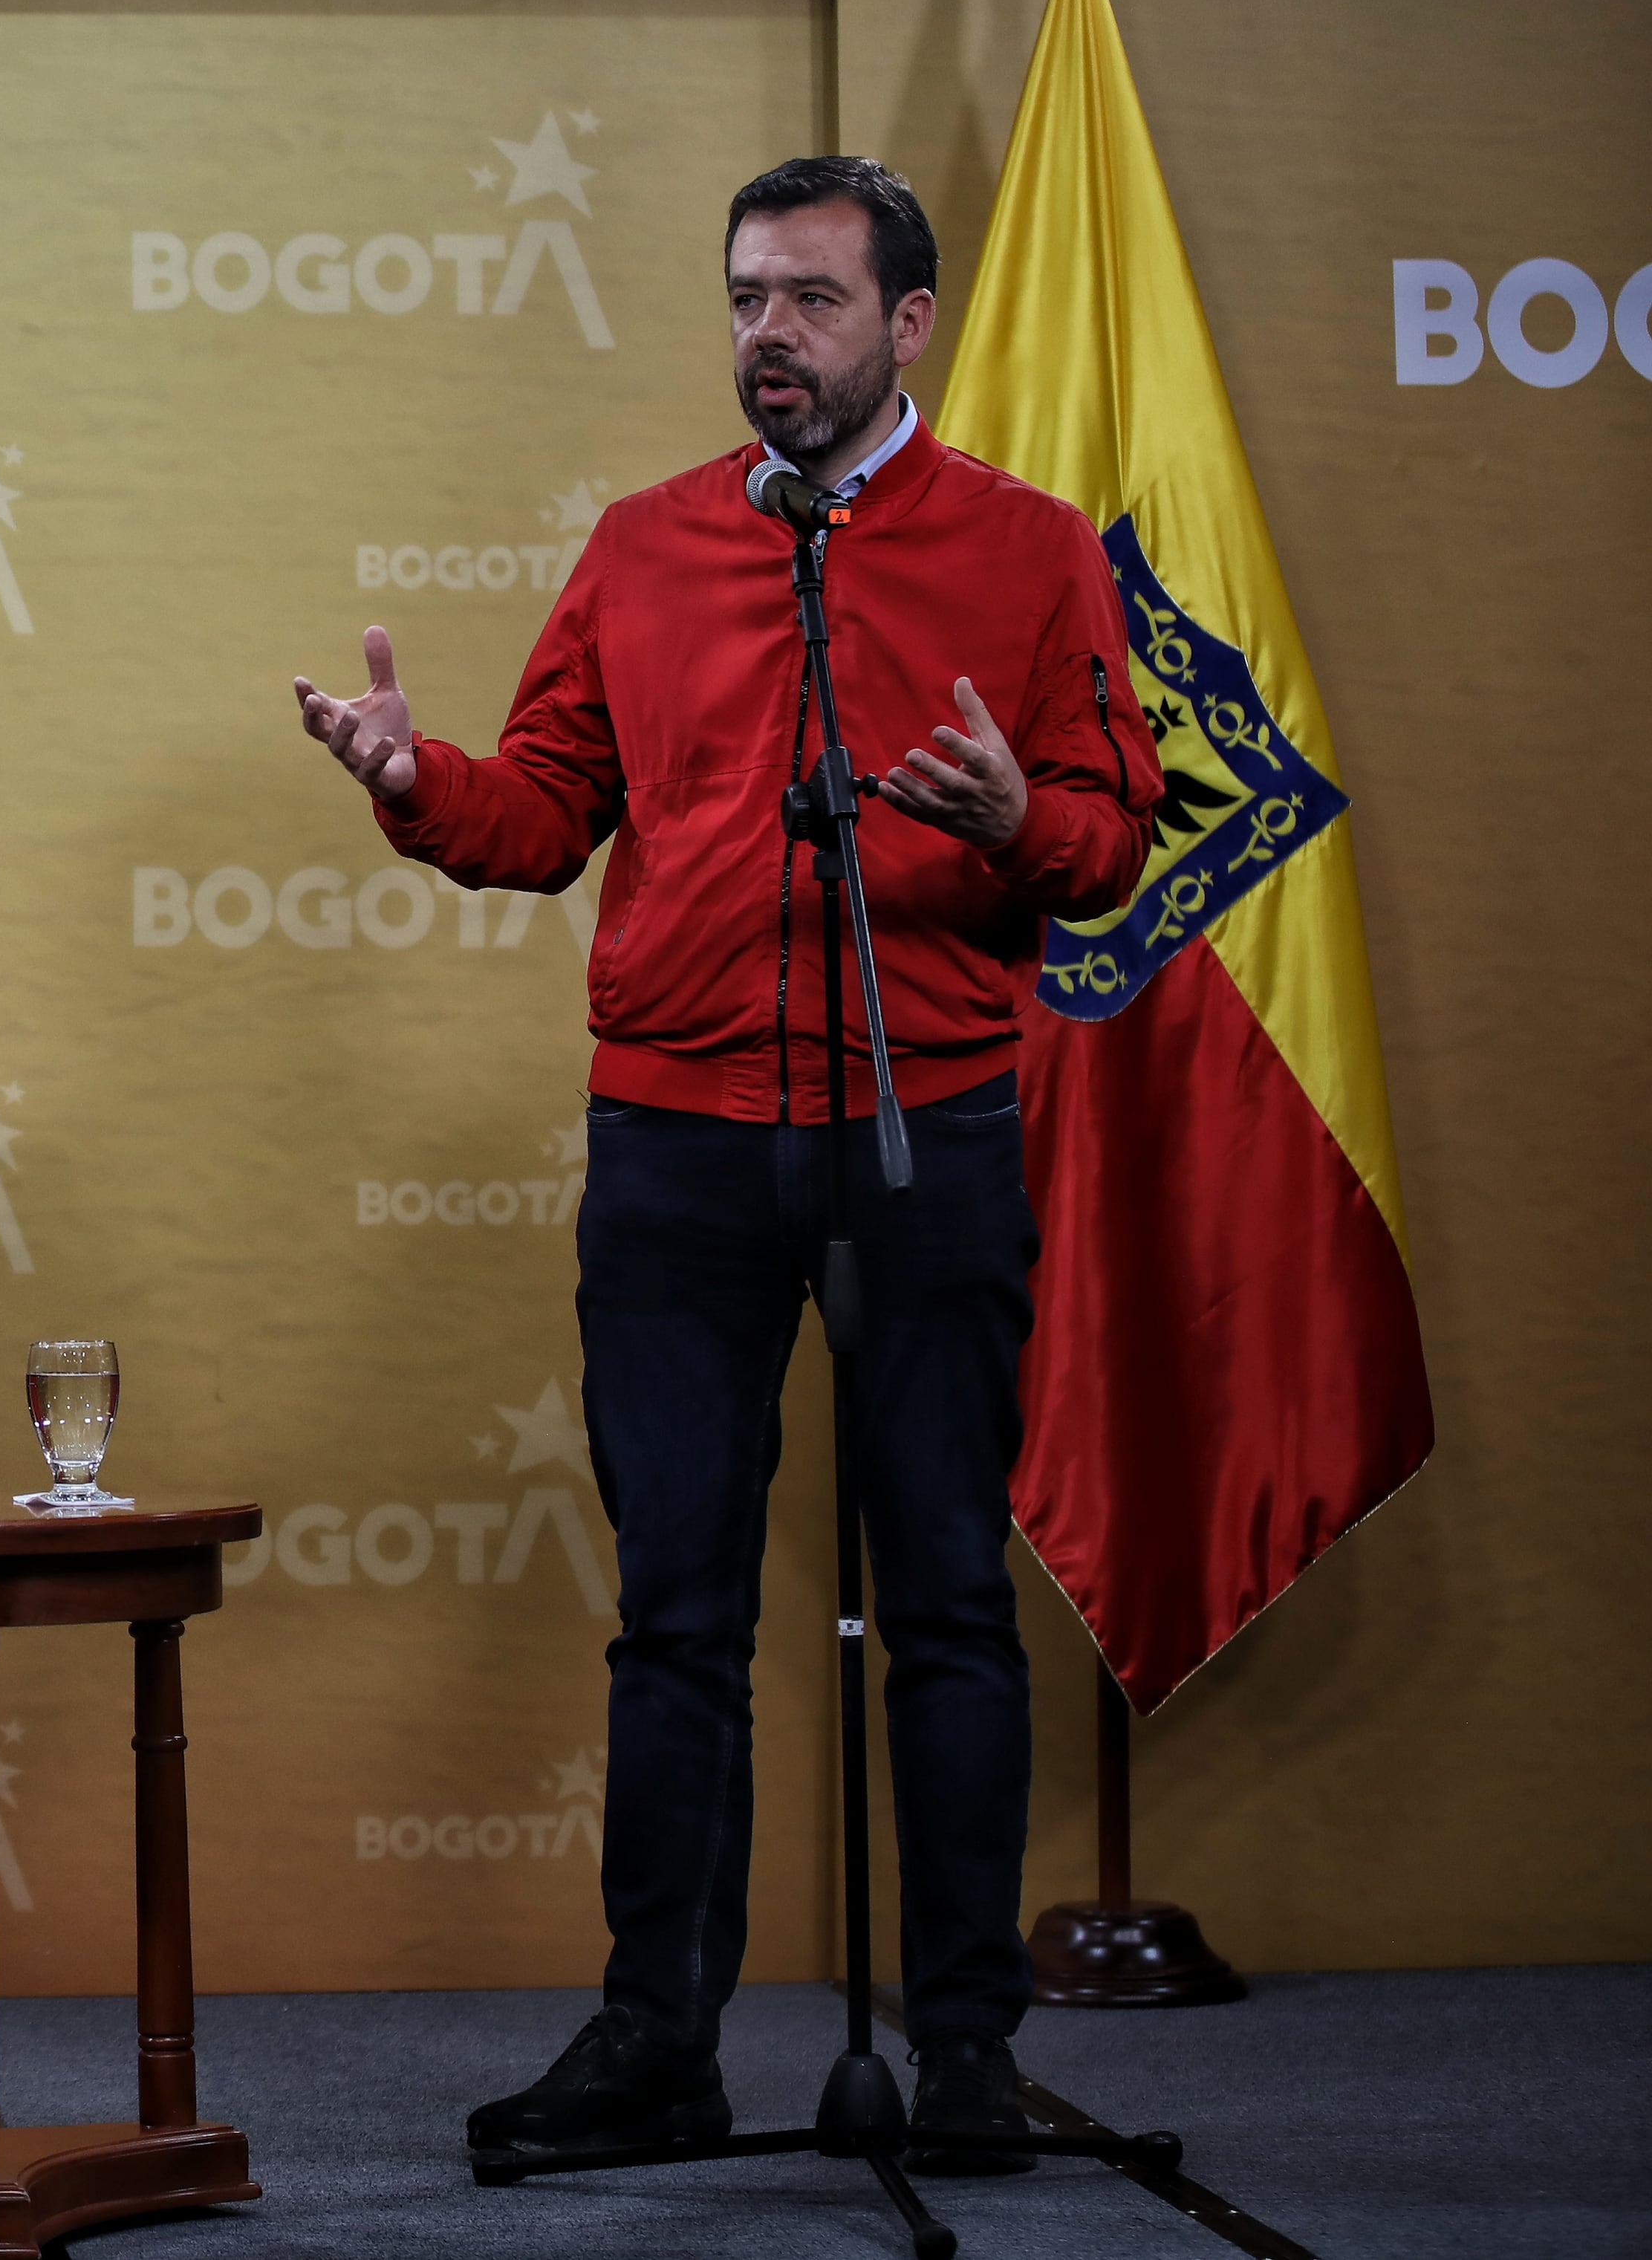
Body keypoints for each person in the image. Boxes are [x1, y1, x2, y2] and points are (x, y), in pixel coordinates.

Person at [294, 158, 1159, 2167]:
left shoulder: (1027, 549)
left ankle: (965, 2051)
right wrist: (420, 783)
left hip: (921, 1128)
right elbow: (547, 812)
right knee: (676, 1609)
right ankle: (656, 2042)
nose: (770, 333)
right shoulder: (649, 543)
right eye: (748, 297)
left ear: (908, 323)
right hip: (678, 1143)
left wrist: (1021, 818)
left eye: (812, 300)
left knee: (947, 1595)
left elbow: (1114, 839)